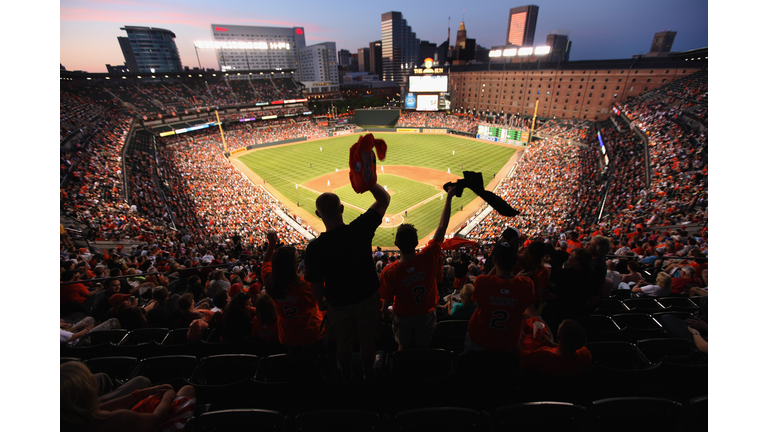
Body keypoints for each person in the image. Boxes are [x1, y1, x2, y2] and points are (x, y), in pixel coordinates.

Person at [305, 183, 390, 380]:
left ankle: (347, 376)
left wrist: (320, 302)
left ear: (318, 214)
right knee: (368, 344)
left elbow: (316, 284)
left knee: (343, 344)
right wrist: (369, 183)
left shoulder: (315, 248)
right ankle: (369, 375)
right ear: (342, 209)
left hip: (338, 304)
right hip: (367, 299)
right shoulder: (359, 229)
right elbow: (384, 200)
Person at [379, 185, 457, 350]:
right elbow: (442, 228)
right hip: (426, 314)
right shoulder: (429, 257)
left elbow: (386, 300)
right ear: (416, 243)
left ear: (396, 244)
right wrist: (449, 197)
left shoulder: (389, 271)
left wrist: (384, 311)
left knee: (403, 346)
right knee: (424, 346)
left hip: (403, 316)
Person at [60, 361, 196, 432]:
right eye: (88, 375)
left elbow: (104, 406)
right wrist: (167, 396)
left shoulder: (74, 419)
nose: (92, 375)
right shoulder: (118, 418)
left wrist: (139, 394)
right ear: (86, 389)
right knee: (187, 390)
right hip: (151, 423)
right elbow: (155, 419)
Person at [465, 236, 536, 352]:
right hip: (508, 345)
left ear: (494, 261)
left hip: (479, 342)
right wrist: (513, 281)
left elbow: (478, 293)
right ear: (515, 263)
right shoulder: (526, 284)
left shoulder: (482, 282)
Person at [262, 230, 326, 354]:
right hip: (313, 334)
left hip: (288, 337)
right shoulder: (307, 285)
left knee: (297, 367)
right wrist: (272, 244)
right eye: (298, 259)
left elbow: (266, 264)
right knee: (319, 364)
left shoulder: (270, 283)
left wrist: (271, 245)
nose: (300, 261)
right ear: (293, 265)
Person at [518, 318, 592, 376]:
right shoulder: (586, 355)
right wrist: (551, 344)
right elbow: (569, 346)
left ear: (558, 338)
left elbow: (520, 354)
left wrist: (515, 335)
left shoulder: (543, 356)